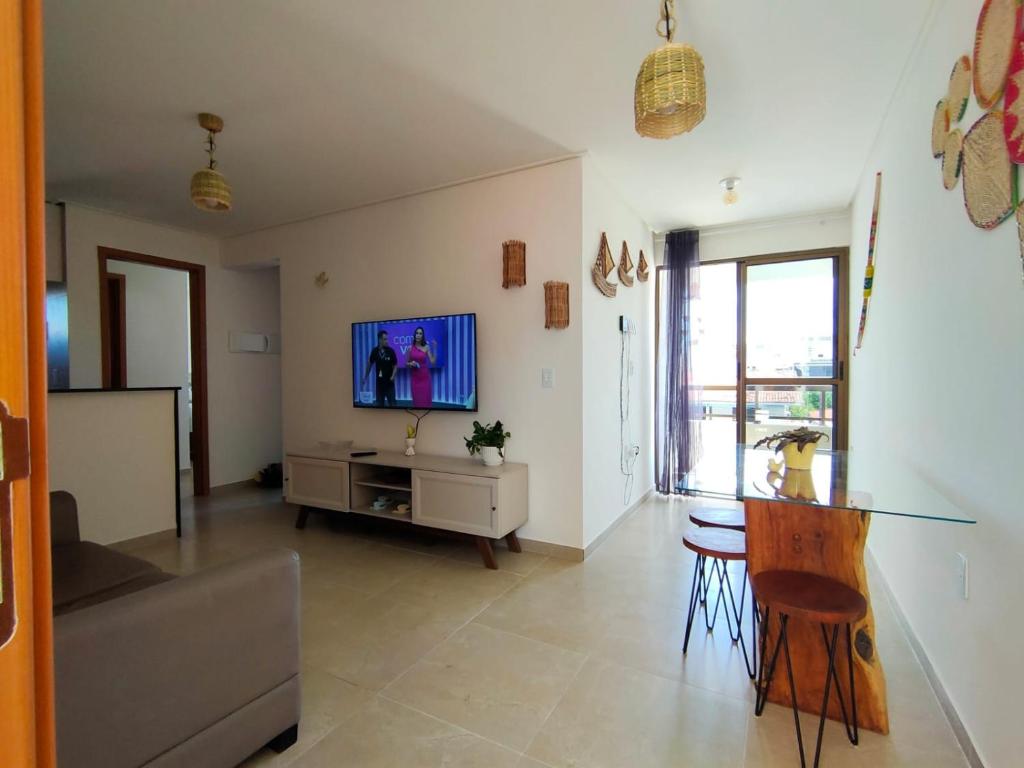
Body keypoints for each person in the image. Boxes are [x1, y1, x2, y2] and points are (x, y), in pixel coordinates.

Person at [361, 330, 397, 407]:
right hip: (379, 384)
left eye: (387, 339)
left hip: (389, 384)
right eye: (385, 339)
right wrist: (365, 377)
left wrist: (393, 376)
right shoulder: (374, 351)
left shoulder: (391, 351)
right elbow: (369, 365)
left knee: (393, 405)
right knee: (379, 406)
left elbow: (395, 366)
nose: (387, 341)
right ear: (380, 340)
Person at [405, 326, 436, 408]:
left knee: (426, 402)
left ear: (422, 336)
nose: (418, 335)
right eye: (417, 333)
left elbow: (432, 362)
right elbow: (406, 364)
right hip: (415, 379)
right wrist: (410, 364)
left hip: (425, 378)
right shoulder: (409, 348)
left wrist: (435, 349)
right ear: (414, 335)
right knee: (417, 402)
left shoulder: (426, 347)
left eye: (420, 333)